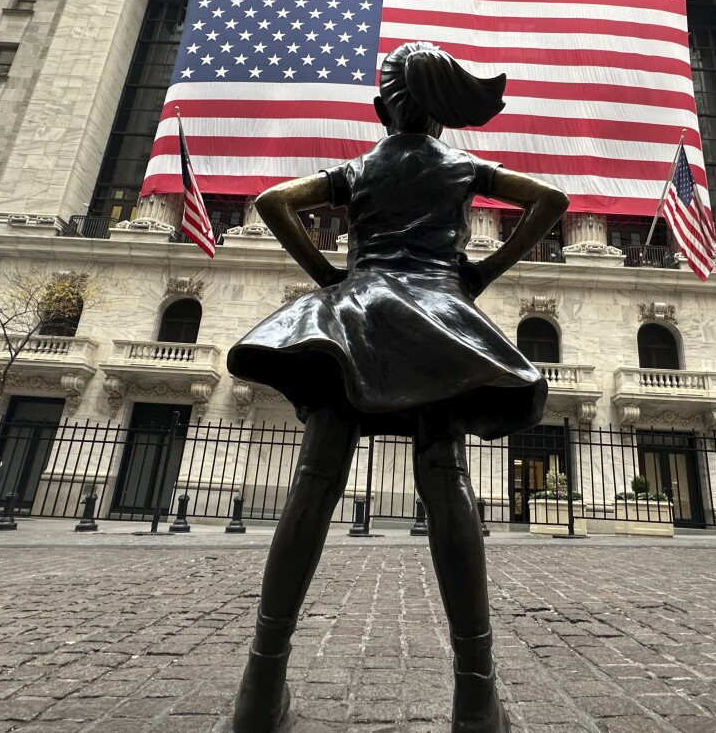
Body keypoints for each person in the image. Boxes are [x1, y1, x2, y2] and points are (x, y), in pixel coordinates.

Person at [226, 42, 569, 733]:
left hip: (354, 317)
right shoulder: (461, 166)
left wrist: (330, 278)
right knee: (445, 479)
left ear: (382, 106)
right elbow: (551, 200)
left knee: (315, 481)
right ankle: (476, 697)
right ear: (440, 112)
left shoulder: (360, 167)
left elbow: (272, 202)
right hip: (437, 319)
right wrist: (481, 273)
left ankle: (259, 690)